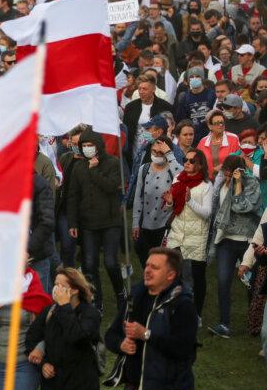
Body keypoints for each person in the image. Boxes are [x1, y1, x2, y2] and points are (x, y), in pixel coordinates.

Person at [105, 248, 197, 390]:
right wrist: (121, 344)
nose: (147, 270)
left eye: (154, 267)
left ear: (171, 275)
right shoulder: (134, 297)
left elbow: (184, 349)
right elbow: (110, 335)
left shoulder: (183, 304)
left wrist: (146, 334)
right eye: (146, 265)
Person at [25, 268, 104, 390]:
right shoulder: (49, 311)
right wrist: (43, 363)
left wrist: (63, 306)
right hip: (53, 389)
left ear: (75, 290)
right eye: (55, 284)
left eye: (61, 286)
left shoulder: (90, 314)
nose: (56, 289)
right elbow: (31, 339)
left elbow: (76, 336)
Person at [64, 129, 125, 313]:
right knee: (89, 264)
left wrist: (95, 170)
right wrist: (73, 223)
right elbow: (73, 196)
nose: (87, 149)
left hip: (110, 221)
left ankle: (120, 293)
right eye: (84, 146)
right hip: (88, 223)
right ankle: (97, 300)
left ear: (98, 146)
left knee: (111, 262)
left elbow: (111, 186)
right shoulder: (78, 167)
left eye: (90, 145)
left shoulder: (113, 163)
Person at [207, 153, 261, 338]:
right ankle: (224, 324)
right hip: (226, 240)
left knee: (250, 285)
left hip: (246, 240)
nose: (227, 176)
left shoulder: (252, 184)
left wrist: (238, 185)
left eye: (231, 173)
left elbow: (242, 207)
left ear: (240, 170)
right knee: (223, 282)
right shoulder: (222, 183)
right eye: (226, 173)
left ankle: (255, 323)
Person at [166, 149, 214, 319]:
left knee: (196, 277)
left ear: (200, 164)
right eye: (186, 160)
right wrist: (170, 202)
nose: (186, 163)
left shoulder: (206, 185)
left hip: (197, 237)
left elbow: (207, 213)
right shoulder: (178, 178)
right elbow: (174, 208)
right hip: (177, 233)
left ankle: (196, 315)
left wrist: (190, 201)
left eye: (191, 161)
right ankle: (174, 310)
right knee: (173, 275)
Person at [131, 138, 181, 267]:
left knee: (163, 261)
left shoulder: (172, 168)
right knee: (143, 254)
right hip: (146, 222)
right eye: (154, 151)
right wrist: (136, 223)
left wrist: (170, 154)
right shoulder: (144, 168)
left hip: (165, 223)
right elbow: (138, 197)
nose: (157, 155)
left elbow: (181, 176)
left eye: (161, 153)